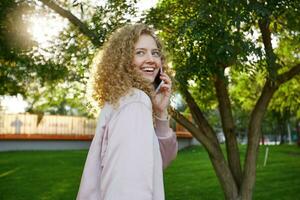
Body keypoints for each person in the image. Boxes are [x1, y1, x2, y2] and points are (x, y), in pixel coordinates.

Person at [77, 23, 178, 200]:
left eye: (155, 53)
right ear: (123, 61)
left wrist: (160, 113)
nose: (151, 59)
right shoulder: (135, 102)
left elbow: (157, 162)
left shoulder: (126, 101)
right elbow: (128, 190)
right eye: (140, 52)